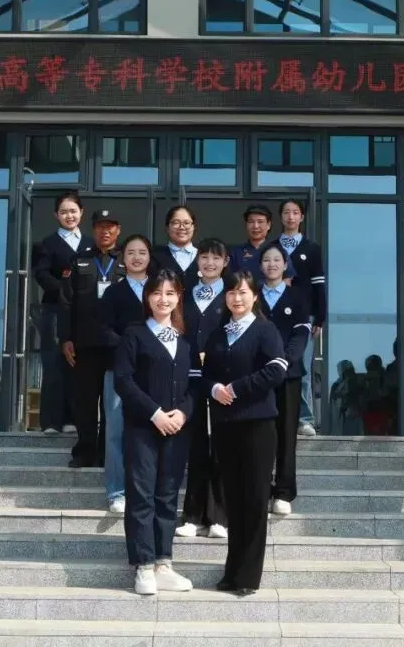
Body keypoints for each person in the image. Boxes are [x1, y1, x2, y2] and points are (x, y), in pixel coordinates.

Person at [202, 271, 288, 596]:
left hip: (257, 425)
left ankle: (248, 576)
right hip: (225, 426)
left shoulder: (265, 330)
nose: (236, 298)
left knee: (253, 500)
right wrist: (214, 389)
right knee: (233, 500)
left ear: (254, 296)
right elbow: (204, 374)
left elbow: (277, 370)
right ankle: (232, 571)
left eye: (242, 292)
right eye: (231, 293)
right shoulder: (218, 333)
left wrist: (237, 388)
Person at [113, 269, 194, 595]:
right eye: (157, 292)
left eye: (170, 293)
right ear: (147, 297)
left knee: (167, 496)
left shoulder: (184, 340)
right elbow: (123, 381)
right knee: (141, 494)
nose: (163, 299)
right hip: (142, 428)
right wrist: (155, 413)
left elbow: (195, 385)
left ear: (178, 298)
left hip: (177, 430)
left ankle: (164, 563)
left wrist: (183, 413)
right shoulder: (134, 335)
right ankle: (144, 566)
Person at [59, 208, 125, 469]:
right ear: (94, 230)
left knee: (113, 404)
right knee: (85, 402)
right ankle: (85, 452)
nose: (105, 231)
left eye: (110, 227)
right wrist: (65, 338)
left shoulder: (127, 260)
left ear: (118, 230)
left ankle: (107, 453)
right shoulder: (80, 261)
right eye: (100, 227)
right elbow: (66, 303)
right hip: (85, 345)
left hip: (117, 345)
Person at [96, 234, 153, 513]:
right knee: (115, 431)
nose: (136, 257)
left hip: (154, 372)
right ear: (122, 258)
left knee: (148, 431)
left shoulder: (160, 290)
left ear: (150, 257)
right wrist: (131, 348)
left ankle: (145, 488)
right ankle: (117, 491)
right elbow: (103, 329)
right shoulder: (113, 292)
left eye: (142, 252)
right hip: (119, 370)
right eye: (131, 252)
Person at [177, 238, 229, 539]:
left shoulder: (232, 295)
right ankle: (193, 515)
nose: (210, 263)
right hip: (190, 381)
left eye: (216, 258)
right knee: (195, 448)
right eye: (205, 257)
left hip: (222, 382)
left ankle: (219, 516)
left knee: (220, 448)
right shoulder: (186, 296)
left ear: (225, 263)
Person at [257, 243, 311, 516]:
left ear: (285, 264)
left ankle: (283, 492)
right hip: (258, 377)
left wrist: (284, 362)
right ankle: (261, 488)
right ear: (260, 265)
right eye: (266, 260)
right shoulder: (252, 295)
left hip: (288, 376)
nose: (272, 264)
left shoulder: (297, 297)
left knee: (287, 435)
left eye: (277, 260)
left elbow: (301, 335)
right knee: (261, 434)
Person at [31, 191, 91, 435]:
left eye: (73, 211)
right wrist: (66, 291)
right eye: (64, 212)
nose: (69, 216)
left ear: (81, 213)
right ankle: (51, 422)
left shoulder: (90, 244)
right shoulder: (47, 244)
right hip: (55, 309)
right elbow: (42, 274)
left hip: (85, 313)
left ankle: (72, 419)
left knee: (78, 365)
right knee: (54, 363)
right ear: (56, 215)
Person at [276, 199, 325, 438]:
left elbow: (319, 285)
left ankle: (304, 419)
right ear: (281, 217)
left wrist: (320, 318)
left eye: (295, 213)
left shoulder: (311, 248)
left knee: (301, 368)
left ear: (302, 217)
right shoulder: (272, 247)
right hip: (275, 317)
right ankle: (279, 416)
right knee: (276, 365)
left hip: (304, 317)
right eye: (286, 212)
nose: (291, 217)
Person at [153, 205, 199, 288]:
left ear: (193, 227)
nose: (182, 227)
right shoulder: (155, 256)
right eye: (176, 223)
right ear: (167, 227)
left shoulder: (204, 255)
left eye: (186, 223)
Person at [228, 204, 273, 282]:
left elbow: (286, 280)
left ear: (268, 225)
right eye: (251, 221)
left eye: (260, 221)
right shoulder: (235, 252)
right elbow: (230, 280)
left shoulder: (278, 250)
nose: (255, 226)